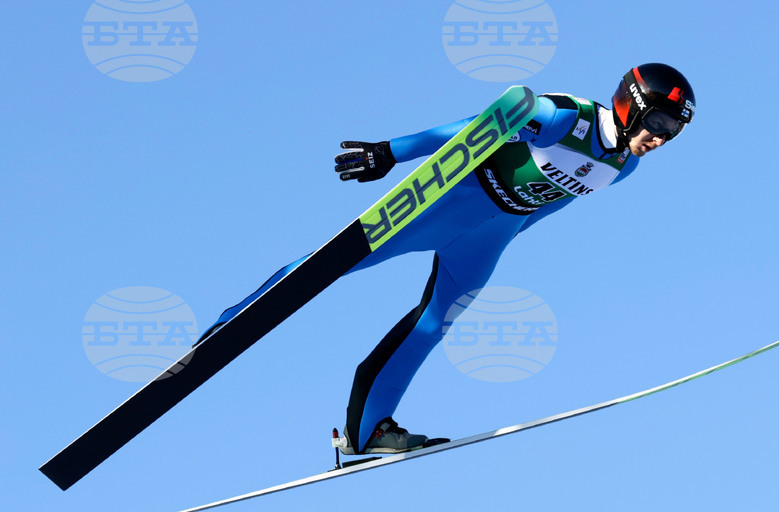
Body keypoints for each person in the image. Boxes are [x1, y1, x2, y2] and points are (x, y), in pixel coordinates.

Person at [208, 63, 697, 456]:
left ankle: (369, 431)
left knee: (435, 322)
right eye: (657, 123)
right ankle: (230, 323)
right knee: (332, 266)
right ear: (630, 106)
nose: (660, 137)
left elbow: (555, 201)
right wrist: (390, 152)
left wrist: (507, 234)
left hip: (494, 232)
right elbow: (476, 128)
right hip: (453, 201)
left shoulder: (624, 168)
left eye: (671, 132)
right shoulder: (566, 118)